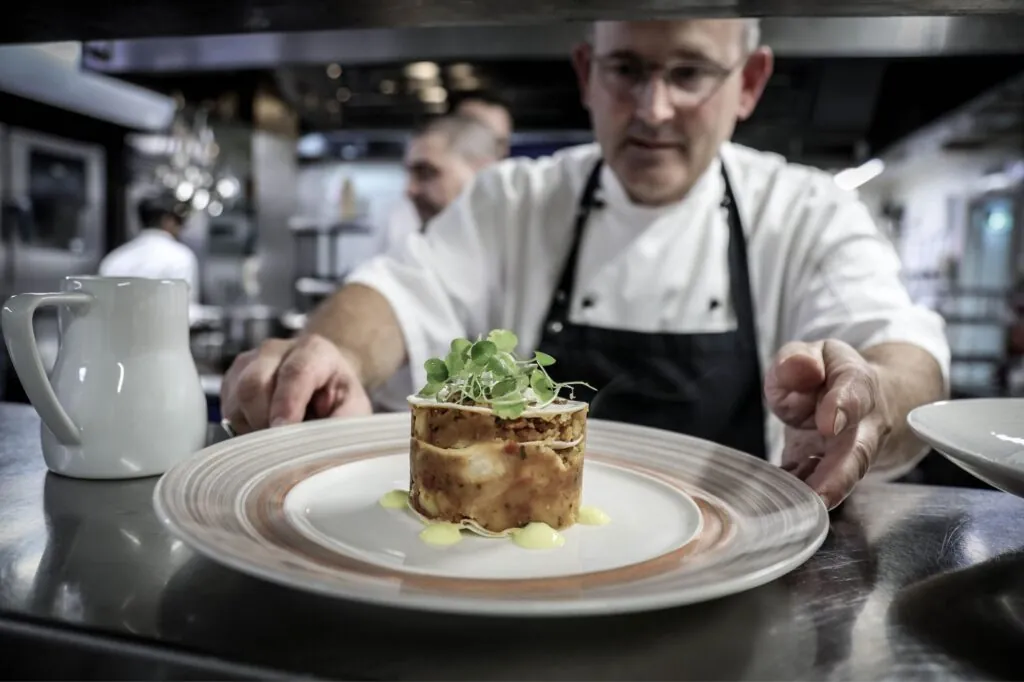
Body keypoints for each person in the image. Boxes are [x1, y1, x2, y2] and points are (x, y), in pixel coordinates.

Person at [221, 19, 951, 510]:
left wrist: (874, 393)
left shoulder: (805, 210)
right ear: (585, 70)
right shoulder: (517, 200)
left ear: (750, 81)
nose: (652, 109)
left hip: (736, 581)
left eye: (690, 72)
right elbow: (395, 292)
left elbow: (898, 344)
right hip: (512, 575)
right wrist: (333, 353)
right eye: (626, 70)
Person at [378, 114, 502, 252]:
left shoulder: (520, 252)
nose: (410, 190)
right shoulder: (408, 256)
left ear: (482, 170)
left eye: (426, 173)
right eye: (410, 175)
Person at [99, 191, 200, 301]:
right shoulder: (181, 258)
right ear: (168, 221)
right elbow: (186, 309)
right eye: (179, 221)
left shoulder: (113, 259)